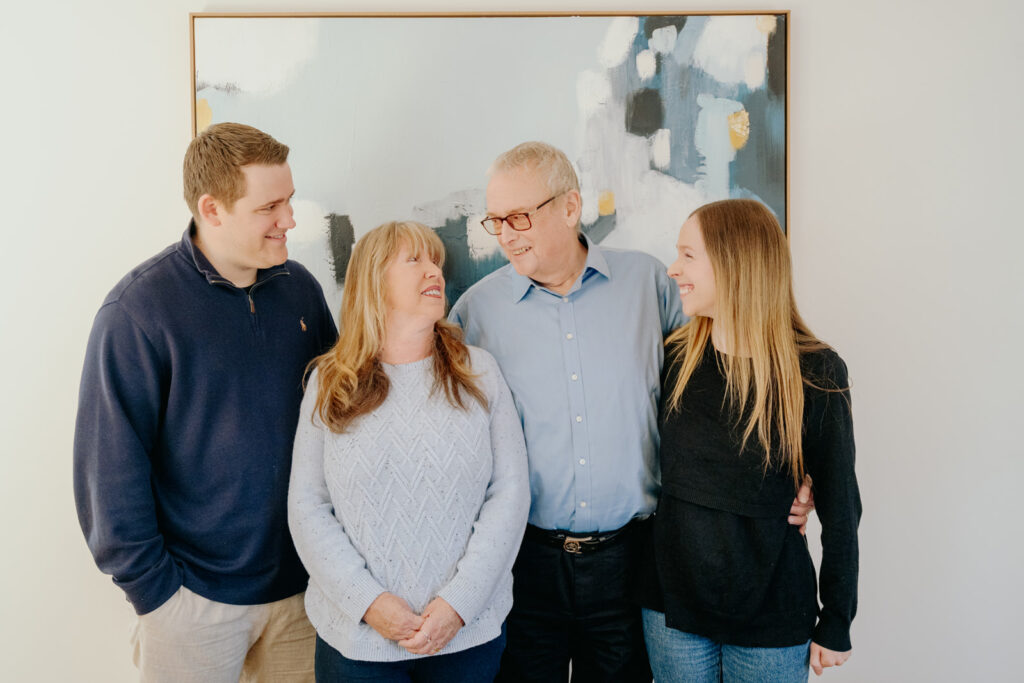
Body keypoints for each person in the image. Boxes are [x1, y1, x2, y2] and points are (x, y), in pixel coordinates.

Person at [449, 142, 816, 682]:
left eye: (519, 216)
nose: (505, 233)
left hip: (637, 561)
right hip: (525, 565)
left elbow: (727, 384)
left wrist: (789, 474)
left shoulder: (650, 284)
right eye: (496, 220)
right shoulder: (474, 313)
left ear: (570, 207)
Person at [73, 122, 337, 682]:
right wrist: (158, 597)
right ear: (212, 210)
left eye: (289, 200)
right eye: (270, 207)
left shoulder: (301, 289)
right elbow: (109, 473)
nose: (289, 219)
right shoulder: (137, 312)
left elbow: (341, 419)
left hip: (303, 599)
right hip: (191, 606)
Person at [288, 220, 530, 682]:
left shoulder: (479, 371)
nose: (434, 271)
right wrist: (369, 602)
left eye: (436, 260)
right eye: (415, 260)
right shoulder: (330, 383)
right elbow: (307, 507)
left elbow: (510, 494)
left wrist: (459, 604)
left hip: (467, 637)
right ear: (373, 280)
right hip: (357, 645)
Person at [639, 199, 861, 682]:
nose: (674, 269)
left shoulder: (816, 372)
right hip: (672, 612)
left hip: (772, 617)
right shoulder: (675, 357)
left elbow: (842, 506)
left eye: (687, 255)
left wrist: (837, 619)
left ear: (734, 261)